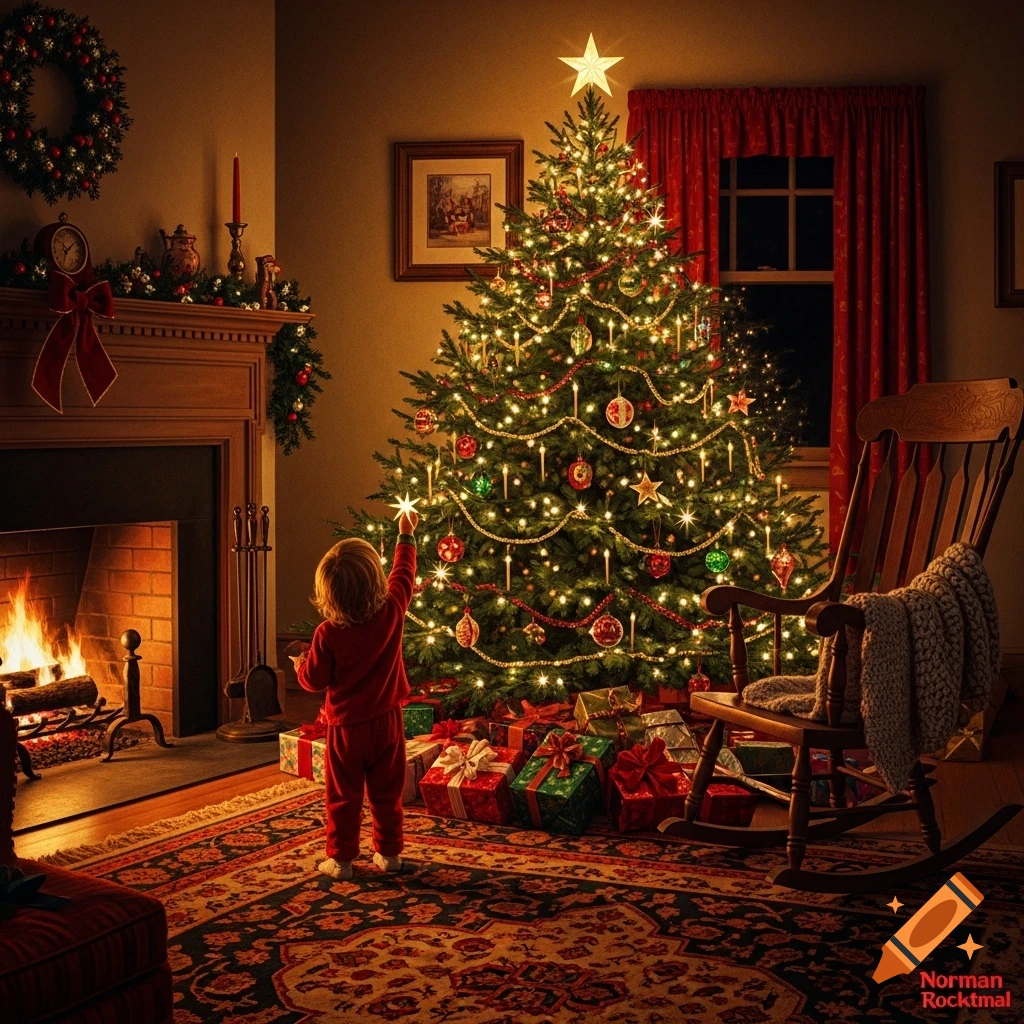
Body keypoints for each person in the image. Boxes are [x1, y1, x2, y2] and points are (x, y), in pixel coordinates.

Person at [290, 511, 418, 879]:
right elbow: (404, 573)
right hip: (389, 722)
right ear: (374, 580)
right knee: (386, 792)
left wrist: (300, 662)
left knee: (343, 796)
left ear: (328, 593)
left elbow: (313, 680)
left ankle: (342, 859)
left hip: (347, 730)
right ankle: (390, 853)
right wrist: (405, 534)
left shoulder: (328, 634)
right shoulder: (392, 609)